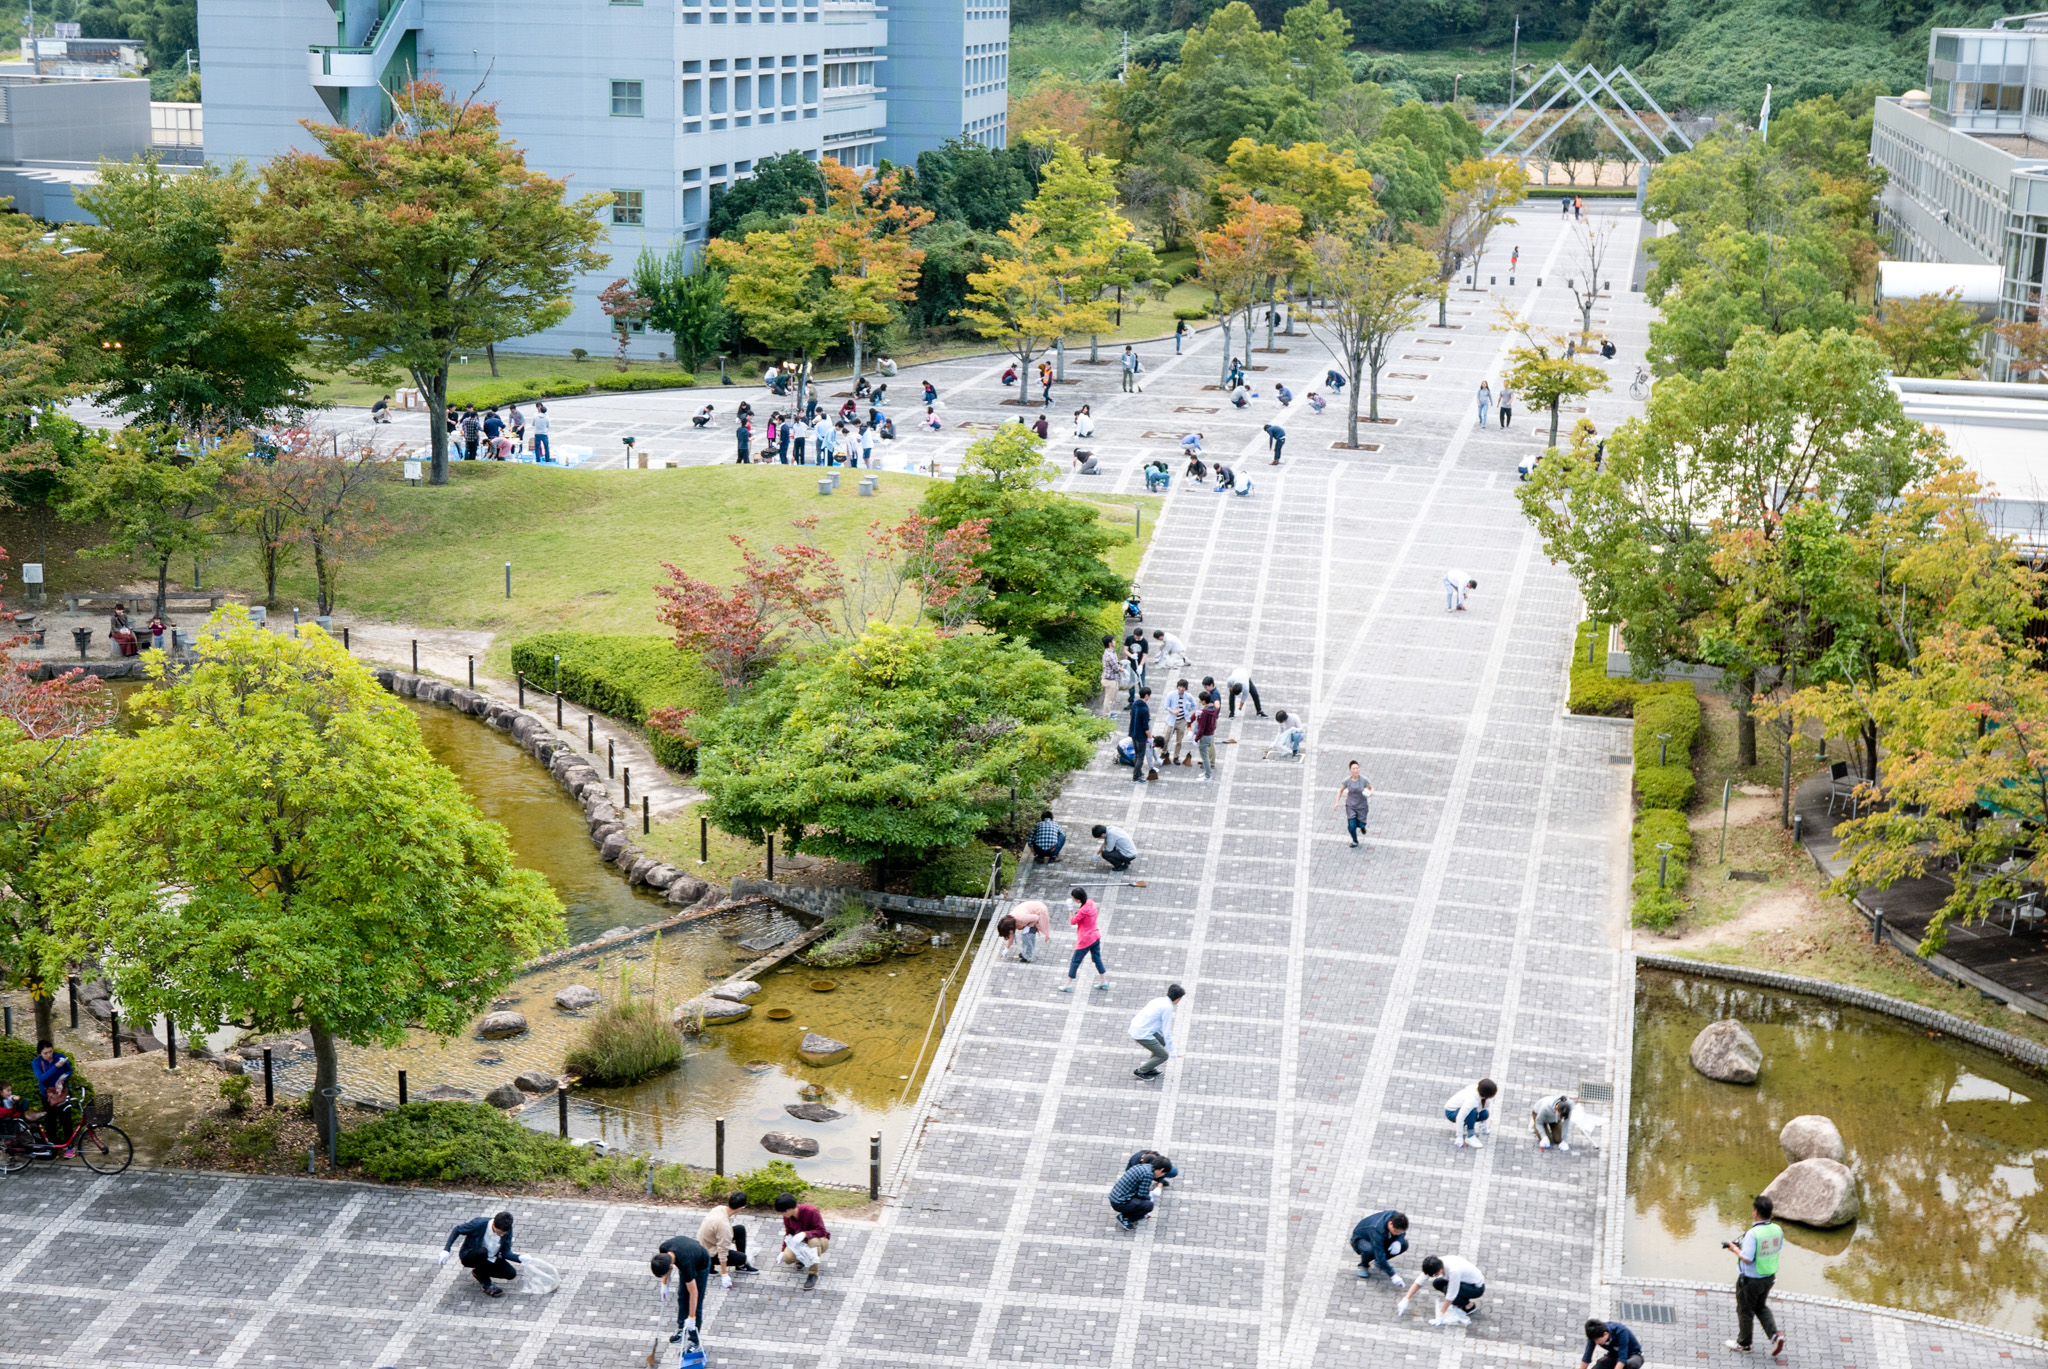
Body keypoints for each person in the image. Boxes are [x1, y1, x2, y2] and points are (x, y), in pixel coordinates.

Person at [1723, 1195, 1786, 1357]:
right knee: (1760, 1306)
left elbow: (1747, 1258)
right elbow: (1776, 1248)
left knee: (1745, 1310)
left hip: (1751, 1280)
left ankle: (1744, 1344)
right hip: (1769, 1277)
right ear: (1770, 1213)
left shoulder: (1753, 1233)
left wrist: (1734, 1249)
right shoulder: (1777, 1229)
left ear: (1755, 1212)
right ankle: (1774, 1336)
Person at [650, 1233, 713, 1347]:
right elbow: (667, 1268)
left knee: (695, 1304)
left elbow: (694, 1293)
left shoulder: (685, 1263)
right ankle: (681, 1328)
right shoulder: (664, 1248)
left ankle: (694, 1339)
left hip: (701, 1264)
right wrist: (664, 1283)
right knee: (682, 1296)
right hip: (687, 1254)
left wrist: (691, 1317)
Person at [441, 1211, 522, 1296]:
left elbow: (505, 1253)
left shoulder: (507, 1230)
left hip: (490, 1258)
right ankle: (486, 1284)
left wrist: (519, 1258)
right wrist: (446, 1249)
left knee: (511, 1273)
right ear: (493, 1224)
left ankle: (478, 1272)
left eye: (503, 1234)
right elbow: (457, 1229)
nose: (501, 1235)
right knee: (482, 1252)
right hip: (471, 1256)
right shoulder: (479, 1224)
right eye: (499, 1233)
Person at [1402, 1253, 1485, 1326]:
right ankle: (1461, 1299)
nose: (1436, 1276)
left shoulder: (1453, 1270)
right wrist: (1406, 1299)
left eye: (1436, 1274)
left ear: (1440, 1269)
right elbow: (1419, 1282)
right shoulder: (1436, 1264)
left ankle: (1469, 1305)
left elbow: (1451, 1294)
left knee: (1447, 1290)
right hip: (1464, 1282)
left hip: (1476, 1288)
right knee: (1437, 1283)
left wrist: (1441, 1315)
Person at [774, 1192, 831, 1290]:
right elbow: (788, 1234)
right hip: (802, 1243)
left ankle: (813, 1274)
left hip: (819, 1240)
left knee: (813, 1242)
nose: (782, 1214)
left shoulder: (811, 1211)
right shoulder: (787, 1217)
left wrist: (805, 1234)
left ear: (789, 1209)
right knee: (787, 1258)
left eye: (783, 1212)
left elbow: (822, 1231)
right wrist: (782, 1251)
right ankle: (802, 1259)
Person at [698, 1192, 759, 1283]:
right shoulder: (724, 1226)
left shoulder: (719, 1208)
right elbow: (723, 1251)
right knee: (742, 1258)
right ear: (740, 1208)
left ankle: (740, 1265)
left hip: (706, 1242)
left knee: (740, 1229)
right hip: (709, 1252)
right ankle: (710, 1263)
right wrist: (724, 1274)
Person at [1129, 985, 1184, 1079]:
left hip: (1140, 1026)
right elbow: (1167, 1031)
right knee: (1163, 1055)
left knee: (1161, 1041)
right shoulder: (1168, 1008)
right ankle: (1141, 1071)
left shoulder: (1159, 1000)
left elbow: (1160, 1025)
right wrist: (1172, 1051)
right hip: (1142, 1033)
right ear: (1178, 998)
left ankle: (1149, 1067)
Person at [1064, 885, 1110, 990]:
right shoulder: (1091, 903)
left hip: (1085, 939)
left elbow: (1073, 921)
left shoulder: (1082, 911)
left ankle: (1068, 984)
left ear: (1078, 899)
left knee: (1075, 961)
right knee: (1097, 959)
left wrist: (1070, 910)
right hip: (1095, 935)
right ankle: (1103, 980)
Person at [1110, 1153, 1172, 1229]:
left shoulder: (1144, 1167)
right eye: (1164, 1173)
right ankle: (1125, 1218)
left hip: (1115, 1197)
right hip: (1120, 1203)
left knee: (1144, 1204)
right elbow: (1142, 1195)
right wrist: (1150, 1199)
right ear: (1161, 1170)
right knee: (1148, 1205)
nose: (1162, 1176)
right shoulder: (1148, 1174)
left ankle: (1129, 1213)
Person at [1351, 1209, 1410, 1282]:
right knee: (1370, 1250)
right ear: (1390, 1224)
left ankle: (1380, 1263)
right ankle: (1363, 1265)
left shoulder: (1397, 1217)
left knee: (1403, 1245)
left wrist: (1398, 1241)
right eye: (1395, 1231)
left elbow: (1401, 1233)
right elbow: (1379, 1252)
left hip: (1382, 1238)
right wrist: (1392, 1274)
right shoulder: (1377, 1230)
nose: (1396, 1234)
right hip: (1361, 1240)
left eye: (1399, 1233)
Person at [1445, 1078, 1498, 1148]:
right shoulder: (1471, 1100)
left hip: (1460, 1110)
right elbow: (1460, 1117)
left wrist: (1483, 1126)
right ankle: (1470, 1136)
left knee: (1484, 1114)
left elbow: (1484, 1108)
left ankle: (1464, 1125)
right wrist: (1459, 1137)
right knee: (1471, 1112)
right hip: (1451, 1112)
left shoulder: (1480, 1093)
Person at [1335, 761, 1373, 846]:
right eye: (1354, 768)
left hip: (1362, 806)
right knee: (1352, 826)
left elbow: (1371, 788)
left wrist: (1371, 793)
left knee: (1360, 823)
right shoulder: (1347, 781)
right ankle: (1355, 840)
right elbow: (1341, 790)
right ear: (1350, 770)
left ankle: (1362, 827)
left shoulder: (1364, 780)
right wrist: (1337, 802)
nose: (1356, 770)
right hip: (1351, 806)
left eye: (1357, 768)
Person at [1161, 677, 1198, 766]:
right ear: (1177, 686)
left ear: (1186, 688)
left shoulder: (1188, 696)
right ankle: (1163, 753)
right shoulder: (1171, 694)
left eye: (1183, 687)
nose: (1181, 689)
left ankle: (1176, 757)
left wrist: (1188, 710)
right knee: (1166, 738)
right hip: (1171, 720)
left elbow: (1194, 705)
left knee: (1179, 740)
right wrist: (1173, 711)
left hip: (1182, 721)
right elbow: (1166, 706)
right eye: (1180, 687)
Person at [1193, 688, 1220, 782]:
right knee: (1206, 755)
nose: (1200, 701)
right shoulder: (1214, 709)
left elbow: (1201, 728)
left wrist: (1196, 739)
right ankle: (1206, 773)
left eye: (1200, 700)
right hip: (1211, 734)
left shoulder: (1205, 713)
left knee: (1205, 757)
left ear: (1204, 701)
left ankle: (1208, 776)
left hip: (1205, 736)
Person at [1128, 685, 1152, 783]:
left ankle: (1138, 772)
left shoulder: (1135, 704)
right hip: (1141, 735)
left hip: (1133, 733)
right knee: (1140, 757)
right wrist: (1150, 737)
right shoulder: (1144, 709)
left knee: (1136, 754)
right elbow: (1145, 727)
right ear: (1146, 695)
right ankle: (1136, 776)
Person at [1099, 634, 1125, 718]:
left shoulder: (1111, 652)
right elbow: (1116, 668)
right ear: (1110, 643)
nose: (1115, 642)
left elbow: (1115, 663)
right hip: (1109, 680)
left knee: (1112, 698)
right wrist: (1124, 669)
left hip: (1113, 679)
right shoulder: (1109, 654)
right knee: (1108, 699)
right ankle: (1106, 716)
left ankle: (1108, 713)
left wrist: (1120, 662)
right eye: (1113, 640)